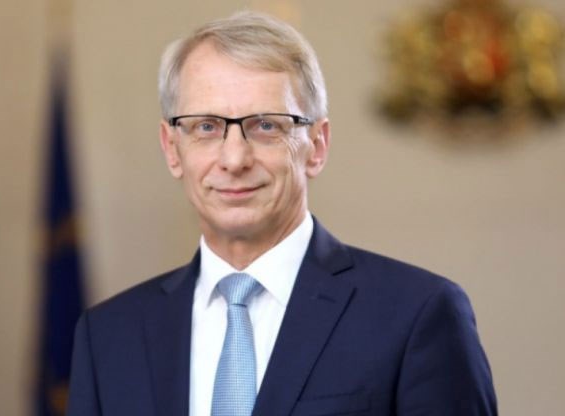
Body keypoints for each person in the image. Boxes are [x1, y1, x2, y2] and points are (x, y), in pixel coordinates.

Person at [67, 11, 497, 416]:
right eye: (206, 127)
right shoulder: (107, 338)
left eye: (266, 126)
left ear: (317, 146)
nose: (234, 159)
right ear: (171, 149)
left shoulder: (417, 314)